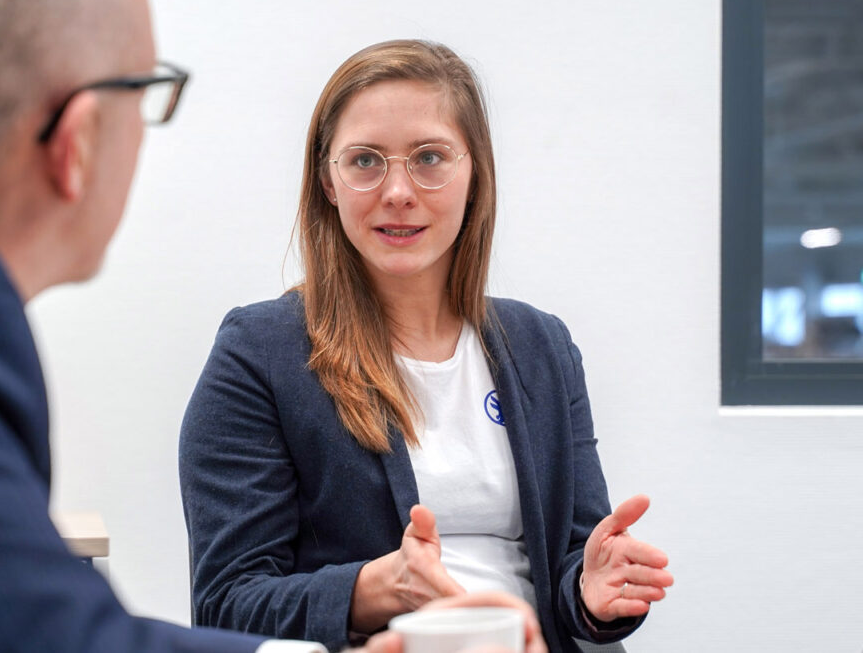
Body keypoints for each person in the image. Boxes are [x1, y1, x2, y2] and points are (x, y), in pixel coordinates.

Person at [0, 0, 542, 651]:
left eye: (432, 158)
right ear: (77, 141)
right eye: (149, 96)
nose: (400, 190)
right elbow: (28, 631)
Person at [179, 40, 675, 653]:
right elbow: (226, 604)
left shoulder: (542, 345)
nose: (397, 191)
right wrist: (374, 587)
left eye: (429, 157)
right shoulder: (259, 354)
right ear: (327, 183)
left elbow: (574, 561)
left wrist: (593, 592)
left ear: (475, 174)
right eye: (364, 160)